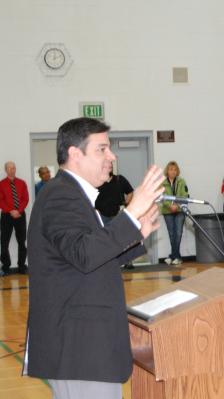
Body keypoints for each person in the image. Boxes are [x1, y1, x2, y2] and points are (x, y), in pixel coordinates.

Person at [26, 117, 164, 399]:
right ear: (75, 154)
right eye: (102, 149)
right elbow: (86, 254)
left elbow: (86, 258)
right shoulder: (61, 196)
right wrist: (130, 214)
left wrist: (138, 232)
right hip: (80, 349)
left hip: (83, 349)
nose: (111, 156)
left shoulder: (72, 195)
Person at [0, 161, 29, 276]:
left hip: (20, 215)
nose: (12, 170)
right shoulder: (1, 184)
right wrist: (10, 210)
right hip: (7, 216)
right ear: (6, 170)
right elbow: (1, 200)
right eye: (10, 168)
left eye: (14, 168)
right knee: (4, 242)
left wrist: (18, 210)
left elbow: (25, 199)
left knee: (21, 241)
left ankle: (22, 266)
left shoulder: (22, 183)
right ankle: (6, 267)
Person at [160, 161, 188, 266]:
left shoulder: (181, 181)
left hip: (180, 210)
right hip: (167, 211)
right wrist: (169, 206)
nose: (173, 171)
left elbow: (184, 195)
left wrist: (176, 205)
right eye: (171, 169)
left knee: (178, 233)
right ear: (167, 170)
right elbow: (161, 198)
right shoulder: (162, 183)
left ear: (177, 171)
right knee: (172, 234)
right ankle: (176, 256)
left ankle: (173, 256)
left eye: (175, 169)